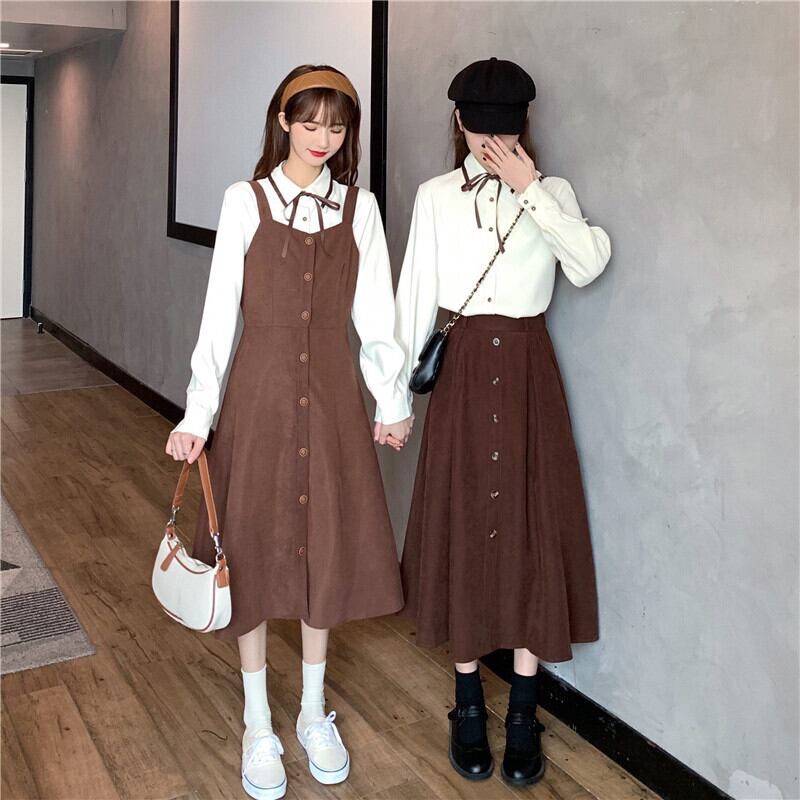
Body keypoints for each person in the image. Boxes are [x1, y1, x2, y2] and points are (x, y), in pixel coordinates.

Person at [165, 64, 412, 800]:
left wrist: (390, 398)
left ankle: (310, 711)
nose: (321, 138)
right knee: (248, 547)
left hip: (333, 398)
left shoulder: (360, 209)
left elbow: (377, 313)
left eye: (335, 127)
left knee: (321, 547)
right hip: (260, 396)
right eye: (309, 123)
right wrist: (198, 415)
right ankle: (256, 723)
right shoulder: (244, 201)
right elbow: (219, 317)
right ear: (282, 120)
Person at [394, 56, 611, 787]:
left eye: (505, 130)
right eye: (480, 129)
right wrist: (394, 403)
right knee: (461, 521)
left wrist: (531, 191)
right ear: (458, 122)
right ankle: (466, 701)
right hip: (461, 372)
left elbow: (587, 265)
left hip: (526, 373)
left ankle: (522, 709)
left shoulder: (552, 193)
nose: (491, 142)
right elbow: (414, 296)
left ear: (524, 126)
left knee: (532, 529)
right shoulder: (435, 197)